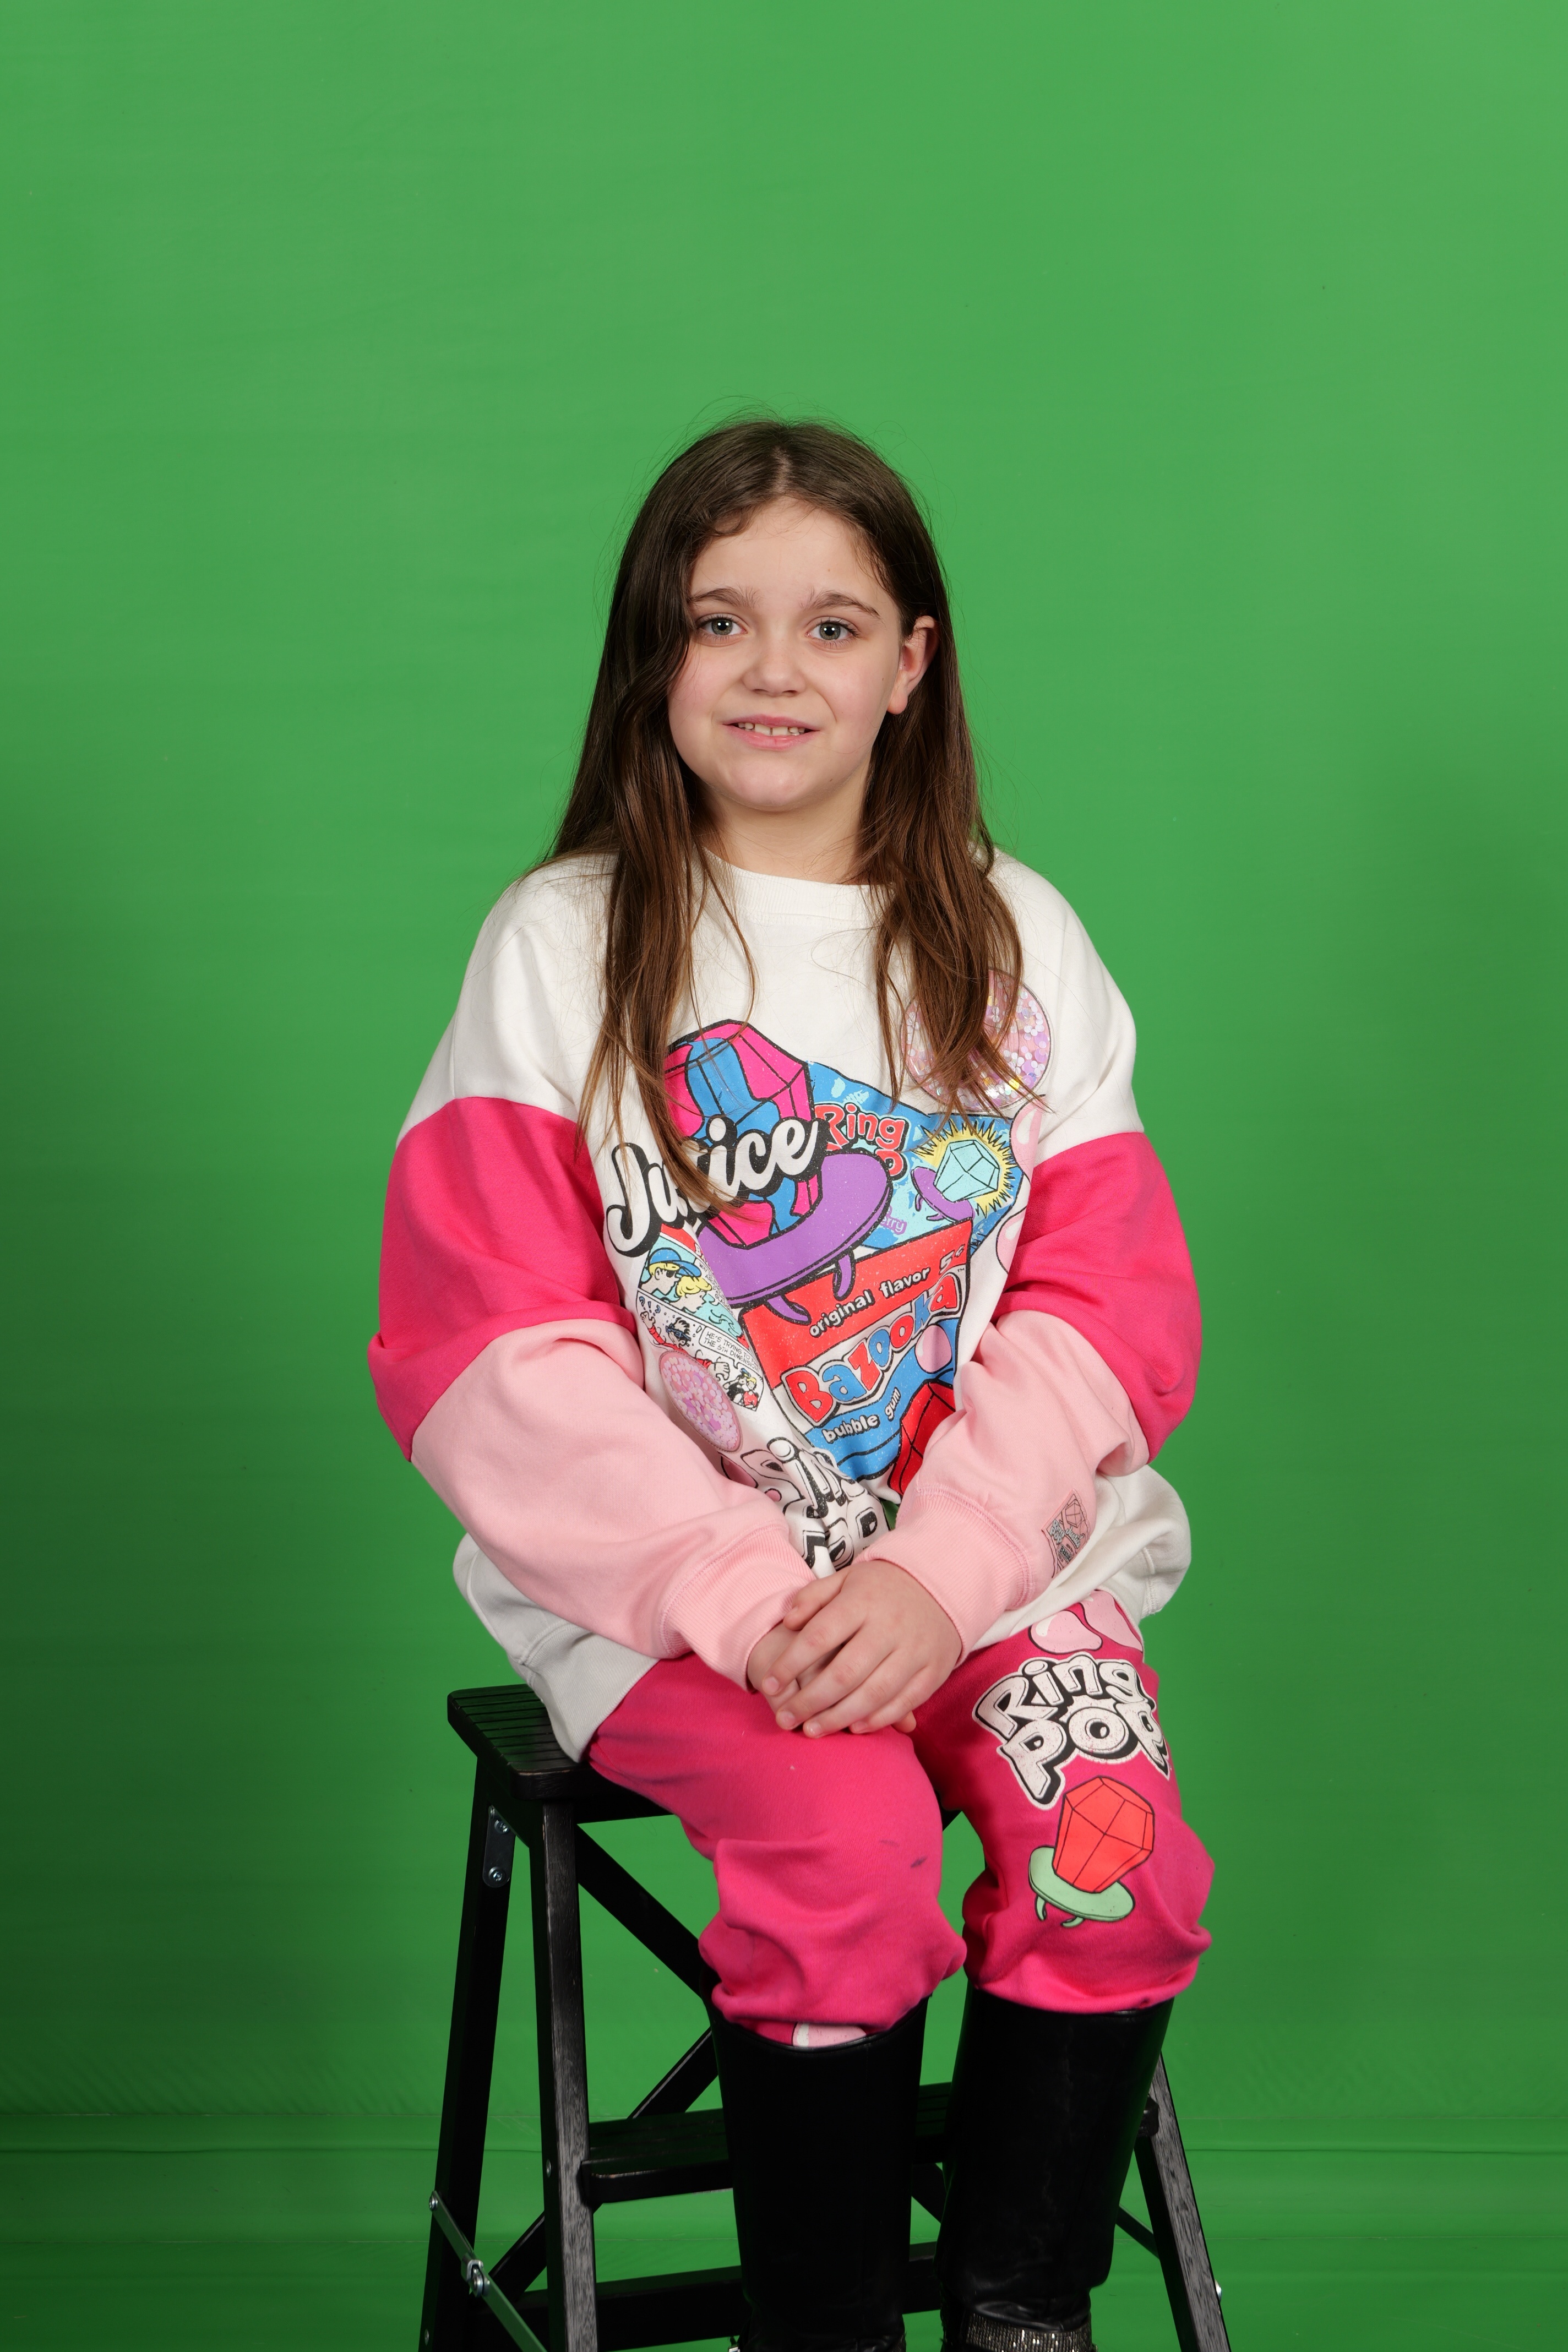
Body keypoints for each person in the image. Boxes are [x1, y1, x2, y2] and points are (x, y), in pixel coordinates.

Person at [369, 421, 1212, 2352]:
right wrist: (750, 1598)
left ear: (910, 664)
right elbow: (489, 1346)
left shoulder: (1018, 937)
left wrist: (945, 1567)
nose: (774, 670)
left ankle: (1021, 2316)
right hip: (681, 1595)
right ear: (654, 656)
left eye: (831, 626)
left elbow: (1107, 1302)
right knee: (843, 1853)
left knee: (1114, 1847)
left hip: (983, 1565)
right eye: (718, 621)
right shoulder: (565, 945)